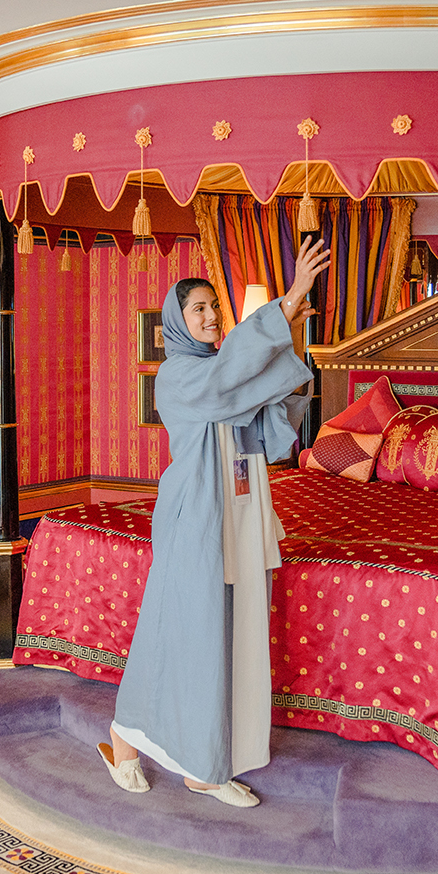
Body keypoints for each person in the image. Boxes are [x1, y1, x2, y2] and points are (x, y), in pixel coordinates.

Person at [100, 237, 330, 807]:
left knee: (231, 639)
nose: (209, 317)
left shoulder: (226, 374)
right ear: (177, 321)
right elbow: (229, 384)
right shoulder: (178, 375)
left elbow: (270, 425)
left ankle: (207, 761)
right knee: (185, 635)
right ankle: (132, 738)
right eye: (198, 309)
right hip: (197, 522)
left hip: (242, 516)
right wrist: (286, 304)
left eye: (213, 308)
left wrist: (289, 339)